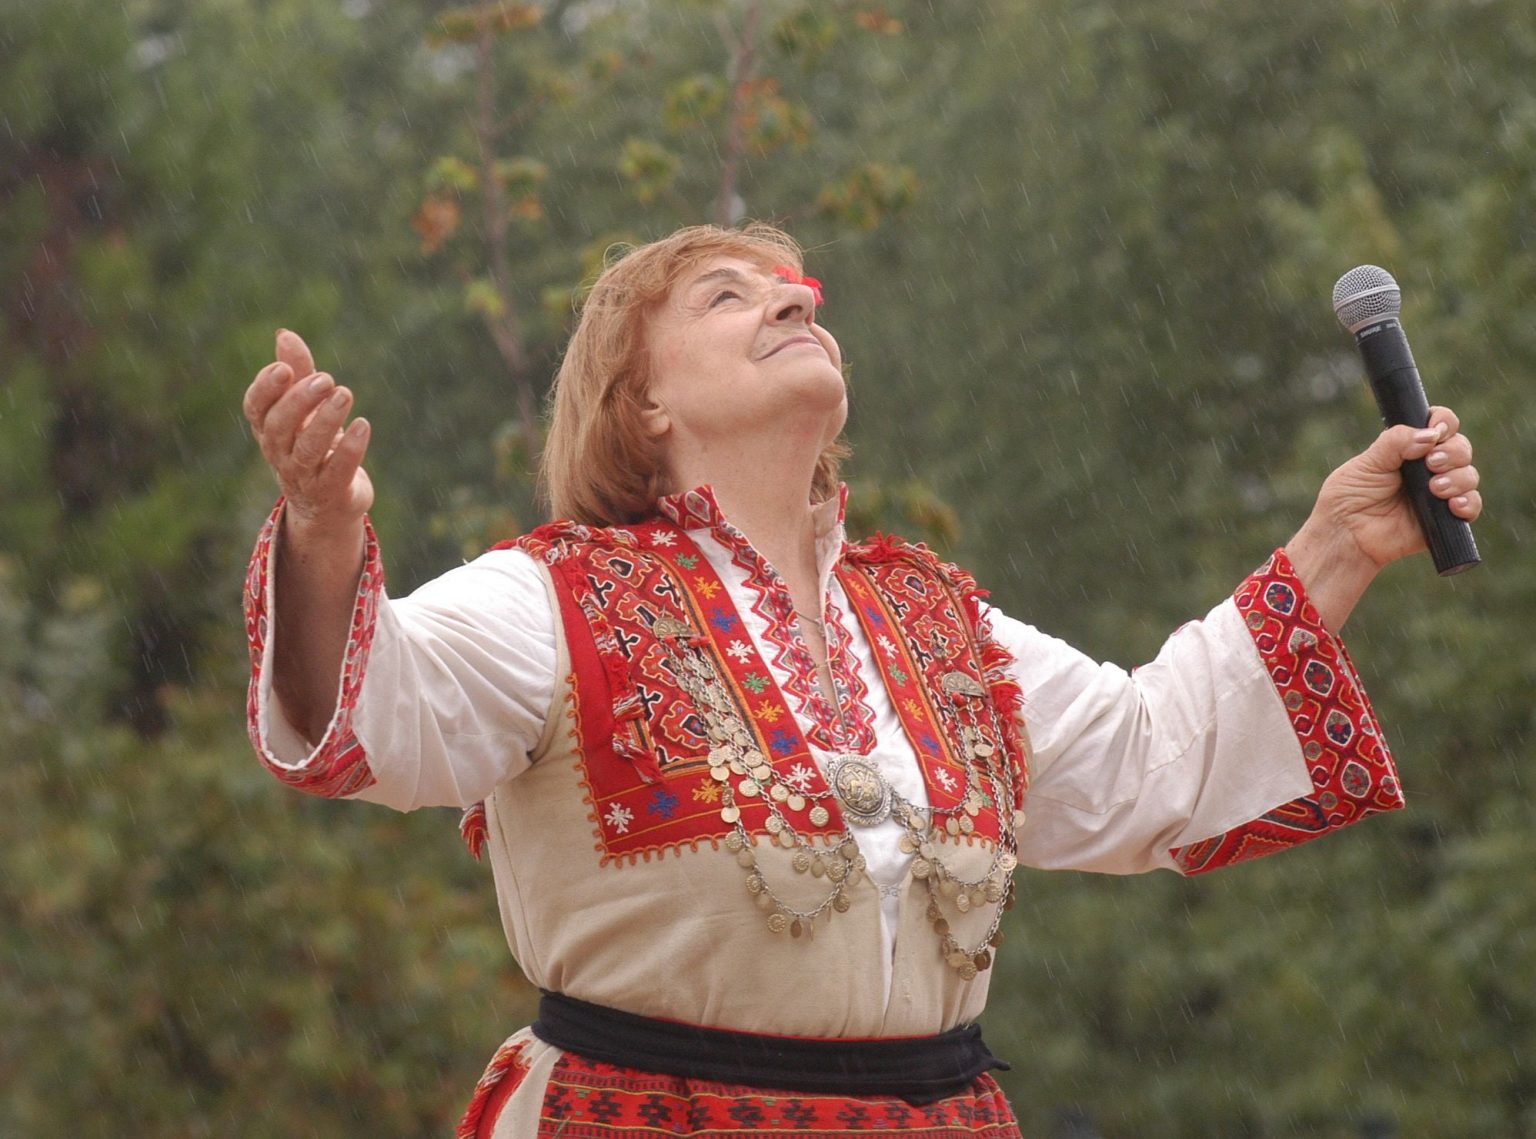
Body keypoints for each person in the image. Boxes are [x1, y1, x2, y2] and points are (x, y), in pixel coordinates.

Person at [240, 223, 1482, 1137]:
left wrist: (1336, 544)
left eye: (798, 289)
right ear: (642, 400)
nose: (792, 299)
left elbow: (1156, 757)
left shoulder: (937, 622)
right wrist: (324, 531)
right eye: (729, 294)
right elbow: (372, 713)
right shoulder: (553, 595)